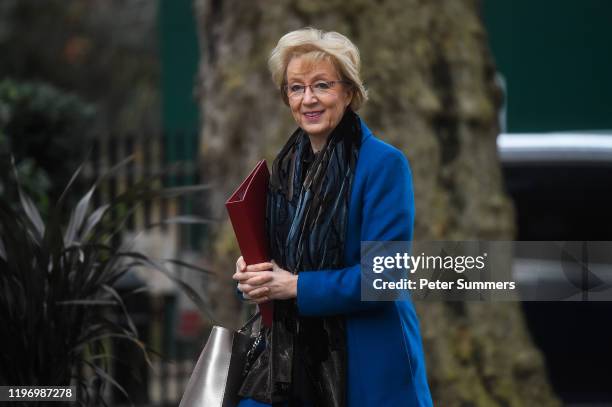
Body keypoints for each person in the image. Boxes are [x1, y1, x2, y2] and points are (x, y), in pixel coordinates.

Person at [233, 28, 433, 407]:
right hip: (289, 359)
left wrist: (295, 287)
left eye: (321, 85)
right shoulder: (284, 170)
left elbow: (384, 277)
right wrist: (252, 274)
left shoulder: (385, 164)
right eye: (296, 88)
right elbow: (274, 269)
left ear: (349, 92)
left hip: (367, 363)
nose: (308, 99)